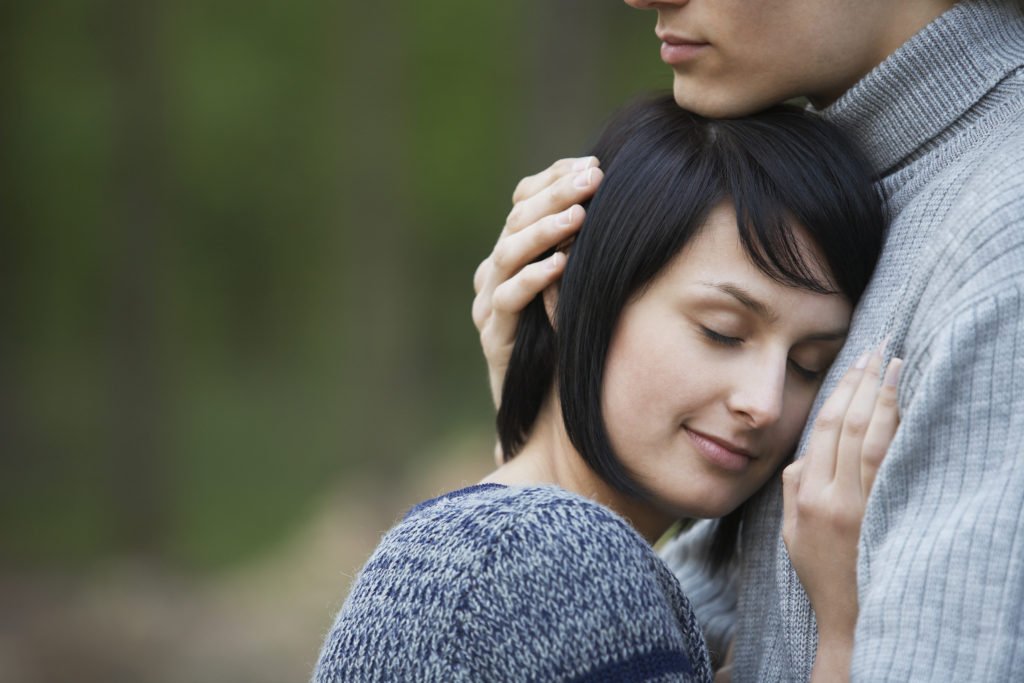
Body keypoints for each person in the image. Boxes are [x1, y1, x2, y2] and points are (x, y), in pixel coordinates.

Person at [472, 0, 1024, 680]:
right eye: (721, 331)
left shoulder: (1001, 246)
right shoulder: (863, 188)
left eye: (811, 366)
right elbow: (652, 628)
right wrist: (546, 438)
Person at [314, 96, 898, 682]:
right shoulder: (558, 558)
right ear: (569, 294)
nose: (765, 403)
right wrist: (842, 632)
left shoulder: (489, 545)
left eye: (809, 365)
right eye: (721, 332)